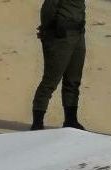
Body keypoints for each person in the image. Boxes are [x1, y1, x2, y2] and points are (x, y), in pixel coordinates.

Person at [30, 0, 87, 130]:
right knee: (51, 81)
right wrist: (47, 29)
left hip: (78, 33)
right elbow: (48, 8)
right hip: (60, 36)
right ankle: (37, 123)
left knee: (73, 81)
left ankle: (71, 120)